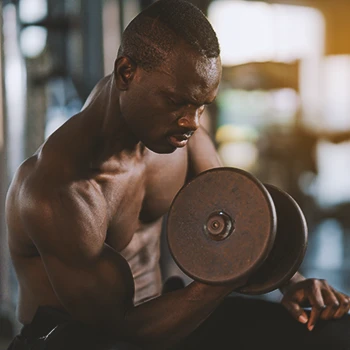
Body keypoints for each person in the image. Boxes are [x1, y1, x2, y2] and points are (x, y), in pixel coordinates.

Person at [5, 1, 350, 349]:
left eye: (201, 105)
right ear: (127, 73)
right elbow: (122, 331)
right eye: (176, 101)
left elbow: (241, 219)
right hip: (82, 339)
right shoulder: (57, 191)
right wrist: (226, 274)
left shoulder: (178, 134)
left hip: (167, 318)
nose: (193, 122)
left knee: (333, 333)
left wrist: (292, 282)